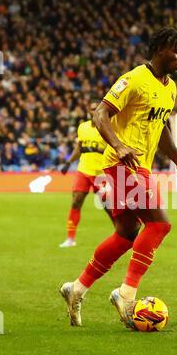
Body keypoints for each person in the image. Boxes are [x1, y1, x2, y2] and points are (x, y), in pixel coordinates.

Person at [60, 27, 177, 328]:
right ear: (160, 49)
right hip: (120, 165)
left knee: (126, 235)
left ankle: (76, 289)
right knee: (159, 224)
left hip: (138, 168)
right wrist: (119, 145)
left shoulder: (169, 87)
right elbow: (100, 113)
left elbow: (160, 128)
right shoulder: (132, 79)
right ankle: (126, 294)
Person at [59, 102, 112, 247]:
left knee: (109, 206)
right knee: (76, 200)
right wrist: (68, 162)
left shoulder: (109, 126)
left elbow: (114, 148)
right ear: (89, 111)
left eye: (97, 109)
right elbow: (79, 148)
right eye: (92, 109)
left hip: (101, 173)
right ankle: (70, 238)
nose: (94, 111)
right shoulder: (83, 127)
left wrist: (97, 150)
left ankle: (122, 234)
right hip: (84, 170)